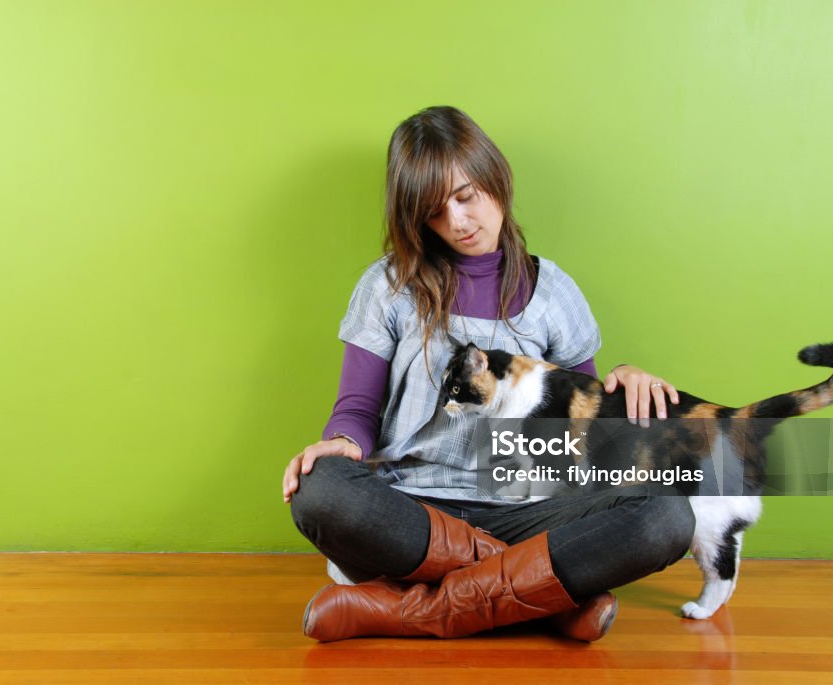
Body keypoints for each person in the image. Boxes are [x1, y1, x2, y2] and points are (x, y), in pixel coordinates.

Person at [282, 105, 695, 643]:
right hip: (412, 509)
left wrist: (623, 382)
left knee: (668, 512)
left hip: (528, 508)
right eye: (433, 211)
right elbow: (357, 410)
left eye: (466, 195)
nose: (457, 222)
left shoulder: (554, 293)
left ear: (494, 177)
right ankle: (541, 599)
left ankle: (402, 609)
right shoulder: (387, 286)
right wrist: (340, 442)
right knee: (319, 490)